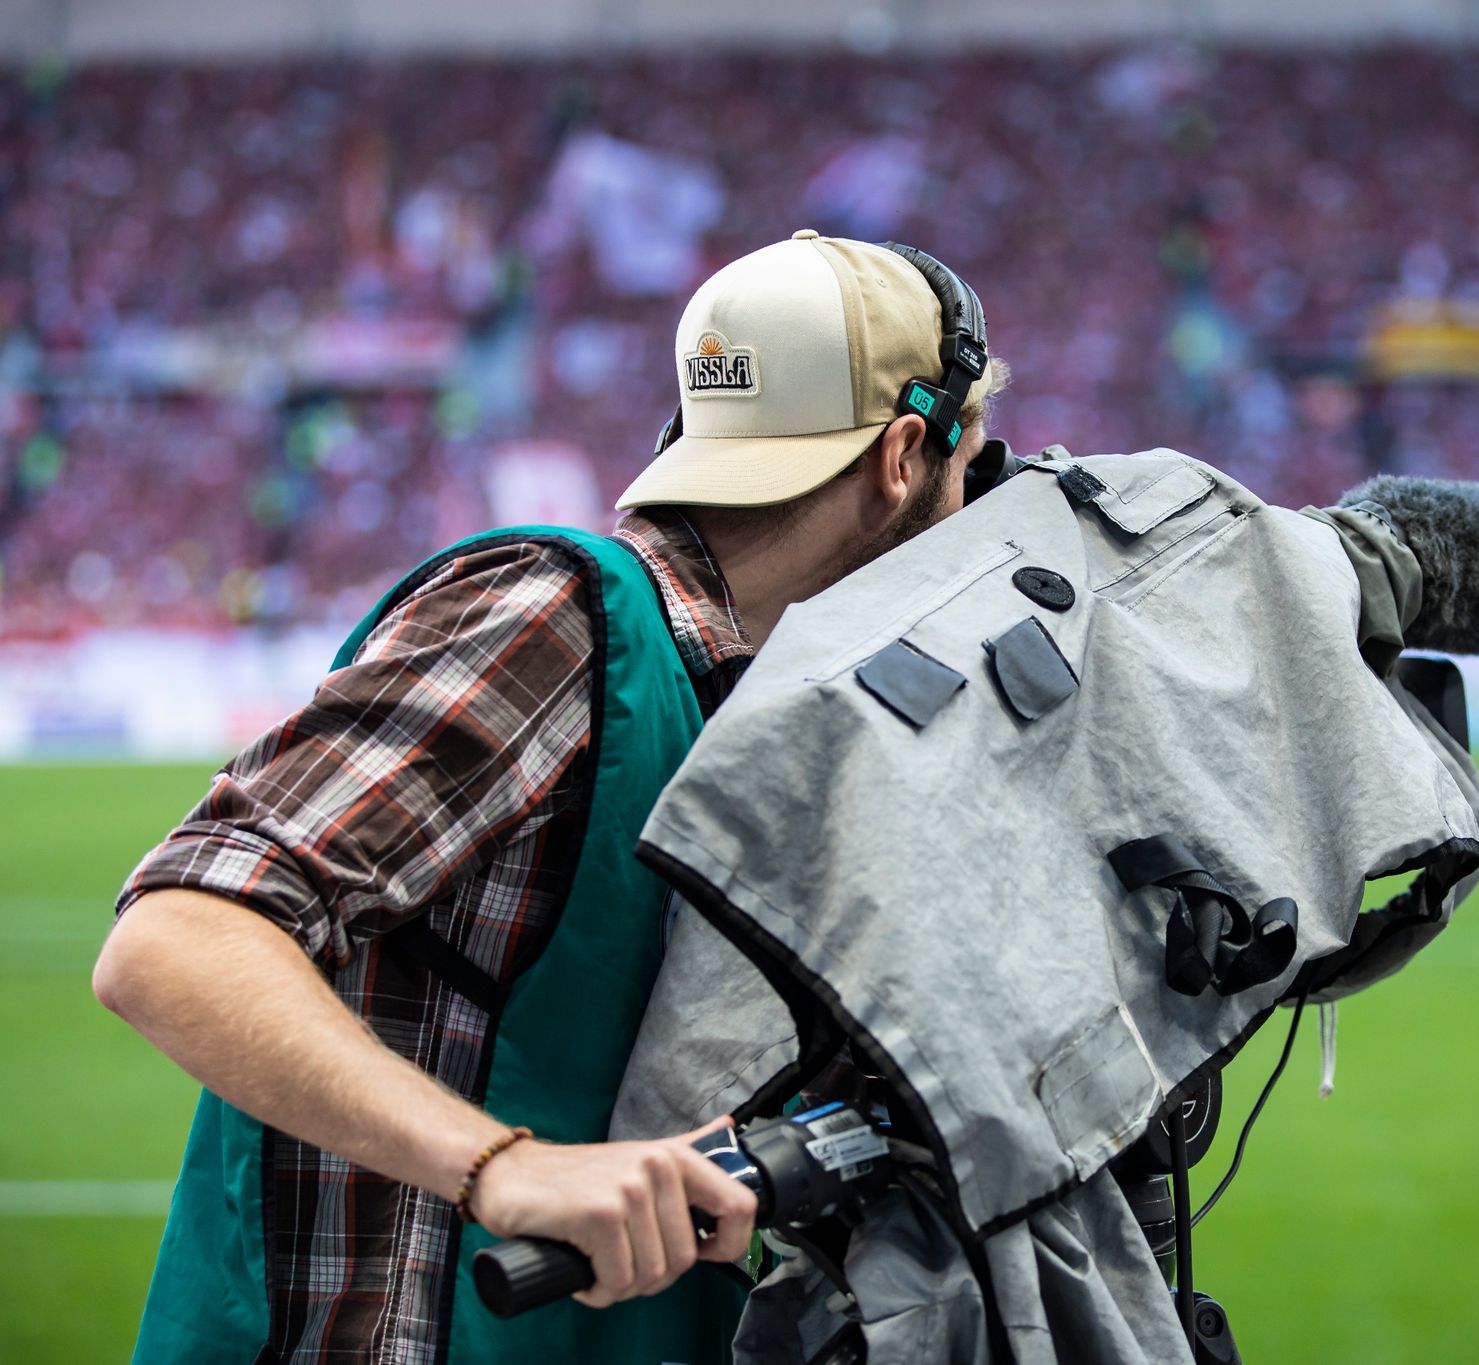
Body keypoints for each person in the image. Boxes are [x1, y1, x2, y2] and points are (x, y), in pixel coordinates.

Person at [91, 230, 1008, 1365]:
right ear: (904, 456)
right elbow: (176, 936)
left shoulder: (735, 697)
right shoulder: (561, 616)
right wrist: (505, 1168)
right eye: (970, 470)